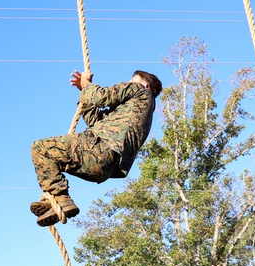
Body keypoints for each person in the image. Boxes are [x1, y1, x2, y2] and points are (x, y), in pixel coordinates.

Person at [30, 68, 163, 226]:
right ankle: (56, 201)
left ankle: (61, 197)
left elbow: (101, 96)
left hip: (99, 149)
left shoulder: (139, 91)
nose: (128, 82)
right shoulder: (133, 113)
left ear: (146, 85)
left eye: (133, 79)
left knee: (41, 148)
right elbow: (95, 120)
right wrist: (84, 91)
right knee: (53, 160)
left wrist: (87, 84)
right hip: (103, 169)